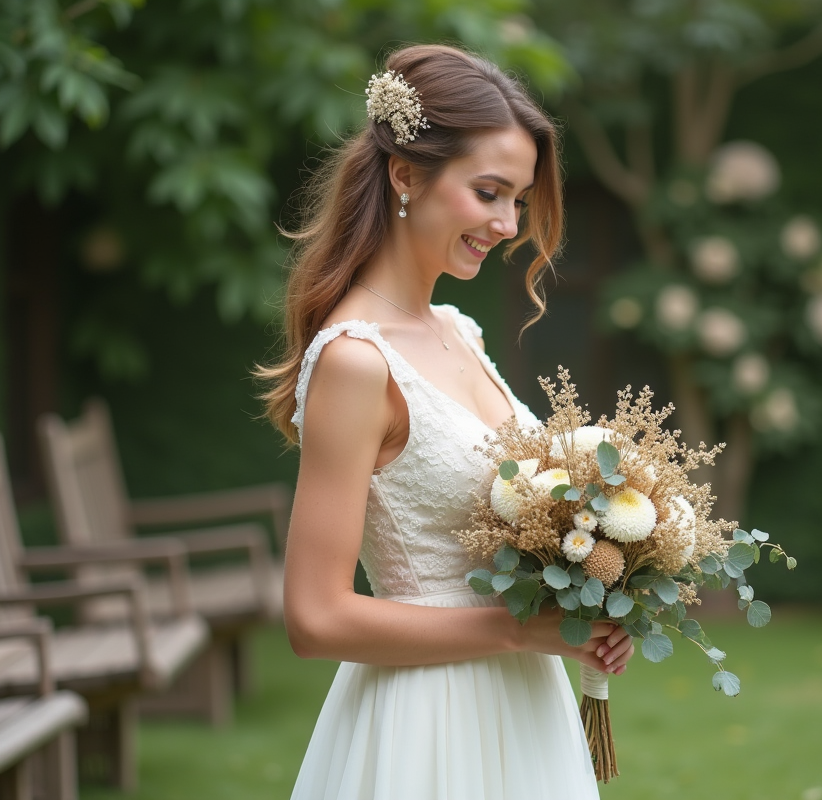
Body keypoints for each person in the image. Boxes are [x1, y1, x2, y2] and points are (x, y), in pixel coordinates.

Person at [257, 44, 635, 799]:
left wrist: (585, 595)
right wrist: (511, 628)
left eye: (518, 199)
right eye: (488, 191)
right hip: (427, 723)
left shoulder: (459, 330)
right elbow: (313, 616)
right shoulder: (357, 363)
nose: (506, 223)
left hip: (523, 703)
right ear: (405, 174)